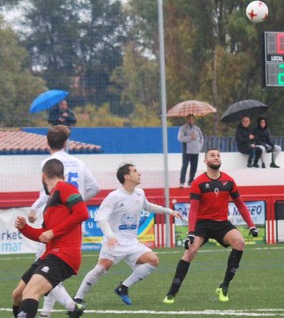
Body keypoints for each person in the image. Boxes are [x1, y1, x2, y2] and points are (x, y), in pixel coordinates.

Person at [73, 163, 182, 306]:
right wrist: (110, 236)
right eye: (135, 171)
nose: (139, 173)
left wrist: (169, 211)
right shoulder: (114, 196)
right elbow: (100, 217)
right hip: (115, 242)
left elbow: (148, 206)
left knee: (153, 260)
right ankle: (78, 298)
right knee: (101, 268)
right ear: (127, 176)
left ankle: (122, 288)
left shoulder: (139, 193)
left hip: (131, 242)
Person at [163, 148, 259, 304]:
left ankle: (224, 287)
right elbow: (193, 209)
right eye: (212, 155)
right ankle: (172, 292)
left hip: (222, 223)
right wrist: (191, 233)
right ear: (205, 161)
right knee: (190, 251)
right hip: (203, 224)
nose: (216, 157)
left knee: (240, 242)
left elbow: (240, 205)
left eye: (218, 155)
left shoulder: (229, 181)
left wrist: (252, 225)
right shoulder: (198, 182)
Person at [28, 125, 99, 318]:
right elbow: (95, 187)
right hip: (74, 224)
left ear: (47, 142)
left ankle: (67, 307)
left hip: (55, 222)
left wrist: (34, 208)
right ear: (66, 143)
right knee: (53, 269)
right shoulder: (78, 162)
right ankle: (47, 311)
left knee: (42, 267)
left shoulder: (49, 162)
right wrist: (76, 202)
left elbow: (47, 193)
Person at [12, 159, 89, 318]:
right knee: (17, 295)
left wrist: (53, 232)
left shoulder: (65, 187)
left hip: (63, 256)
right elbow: (43, 235)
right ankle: (73, 308)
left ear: (44, 176)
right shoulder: (52, 200)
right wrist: (24, 228)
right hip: (49, 254)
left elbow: (82, 213)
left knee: (31, 292)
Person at [177, 113, 204, 187]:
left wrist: (199, 147)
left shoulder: (197, 129)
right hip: (187, 151)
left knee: (194, 167)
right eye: (189, 119)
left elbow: (201, 139)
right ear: (187, 120)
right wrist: (190, 137)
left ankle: (191, 181)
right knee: (185, 166)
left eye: (192, 119)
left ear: (194, 120)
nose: (191, 120)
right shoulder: (183, 128)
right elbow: (180, 138)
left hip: (195, 151)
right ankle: (182, 182)